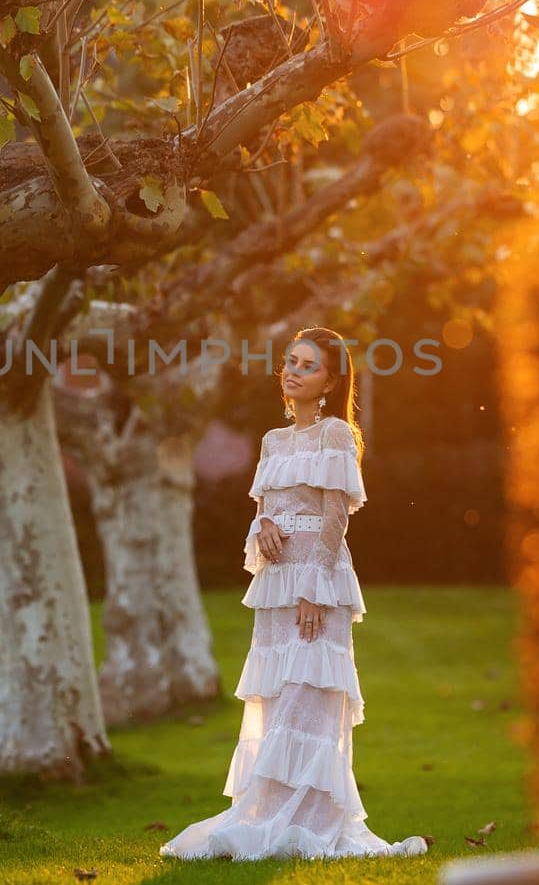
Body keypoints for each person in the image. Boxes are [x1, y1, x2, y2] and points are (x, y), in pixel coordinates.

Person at [159, 327, 428, 861]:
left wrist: (314, 589)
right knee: (280, 696)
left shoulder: (334, 435)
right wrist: (261, 528)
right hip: (276, 585)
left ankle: (311, 820)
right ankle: (269, 812)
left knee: (309, 698)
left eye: (307, 365)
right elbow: (264, 507)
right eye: (290, 361)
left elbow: (334, 518)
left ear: (329, 381)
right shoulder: (272, 441)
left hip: (315, 580)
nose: (292, 371)